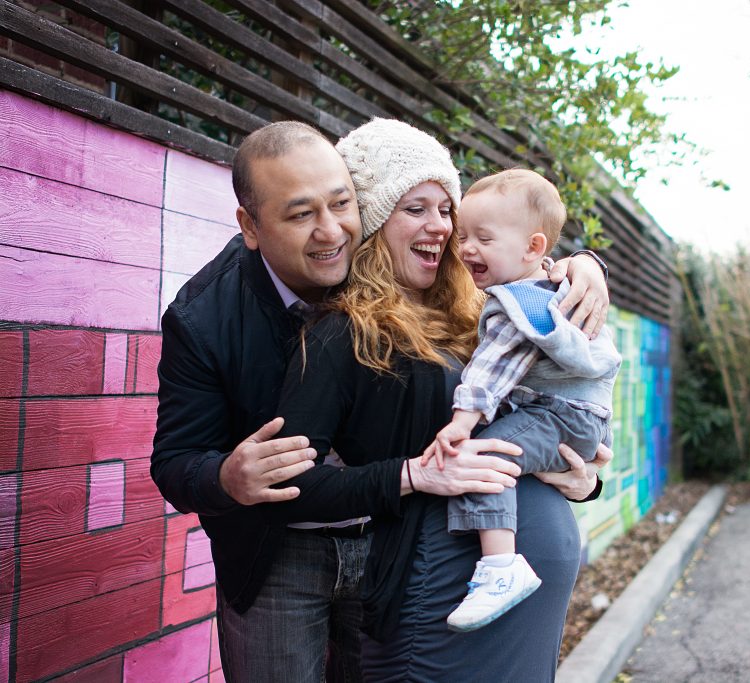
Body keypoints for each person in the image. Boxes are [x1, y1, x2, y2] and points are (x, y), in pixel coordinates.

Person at [150, 121, 609, 682]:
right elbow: (175, 461)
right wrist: (225, 478)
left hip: (391, 545)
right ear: (252, 226)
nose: (330, 232)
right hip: (279, 554)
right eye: (301, 215)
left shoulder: (447, 296)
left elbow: (528, 356)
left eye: (341, 205)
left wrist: (583, 266)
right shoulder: (209, 317)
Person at [421, 169, 621, 632]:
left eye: (482, 238)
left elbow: (493, 369)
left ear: (533, 249)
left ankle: (500, 568)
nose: (465, 246)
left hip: (560, 419)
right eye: (464, 235)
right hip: (567, 418)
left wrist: (461, 422)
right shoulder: (538, 291)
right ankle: (499, 566)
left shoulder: (518, 300)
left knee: (482, 455)